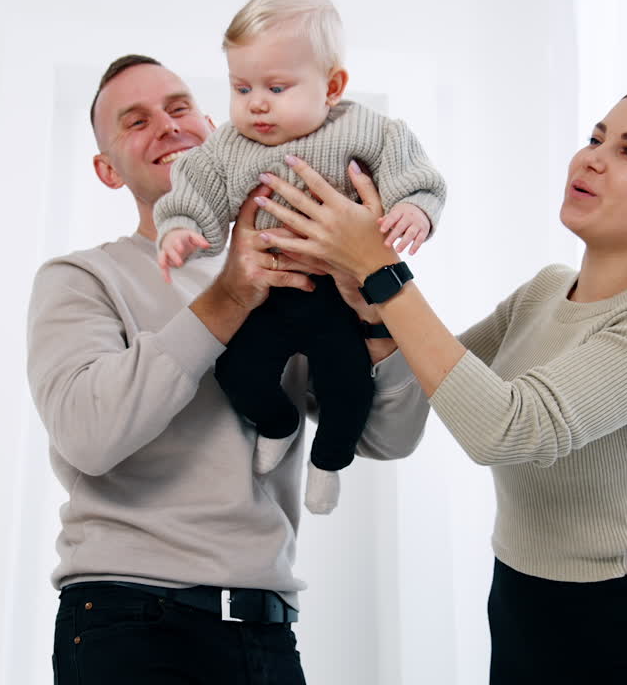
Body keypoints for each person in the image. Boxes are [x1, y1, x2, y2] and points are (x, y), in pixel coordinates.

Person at [256, 86, 627, 683]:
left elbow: (510, 429)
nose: (592, 158)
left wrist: (383, 273)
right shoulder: (545, 290)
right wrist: (371, 309)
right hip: (517, 610)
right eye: (596, 138)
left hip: (617, 633)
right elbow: (427, 386)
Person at [25, 54, 428, 685]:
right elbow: (87, 436)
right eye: (135, 121)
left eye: (179, 107)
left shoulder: (303, 268)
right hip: (129, 620)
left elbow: (389, 438)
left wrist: (374, 311)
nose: (166, 125)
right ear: (107, 171)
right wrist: (230, 295)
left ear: (216, 130)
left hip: (265, 629)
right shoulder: (82, 279)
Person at [154, 0, 446, 514]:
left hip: (340, 296)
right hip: (270, 292)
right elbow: (196, 189)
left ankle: (329, 462)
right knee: (236, 372)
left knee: (349, 388)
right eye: (241, 89)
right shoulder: (228, 146)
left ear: (332, 86)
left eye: (276, 87)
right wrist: (180, 229)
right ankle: (278, 422)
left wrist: (415, 208)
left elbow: (415, 174)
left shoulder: (370, 130)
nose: (256, 104)